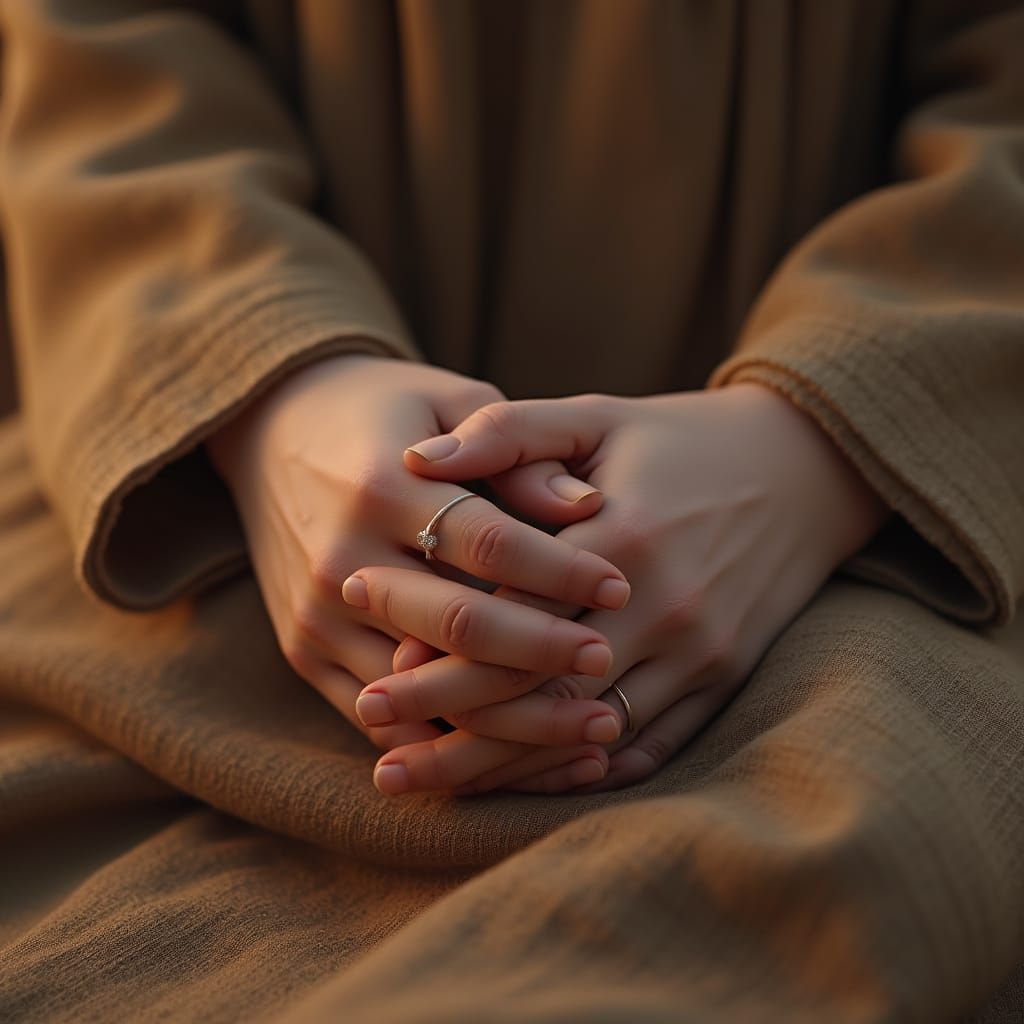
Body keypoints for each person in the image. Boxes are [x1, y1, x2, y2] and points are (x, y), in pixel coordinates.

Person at [0, 2, 1022, 1021]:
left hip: (905, 544)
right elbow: (107, 64)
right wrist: (271, 392)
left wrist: (820, 435)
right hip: (204, 521)